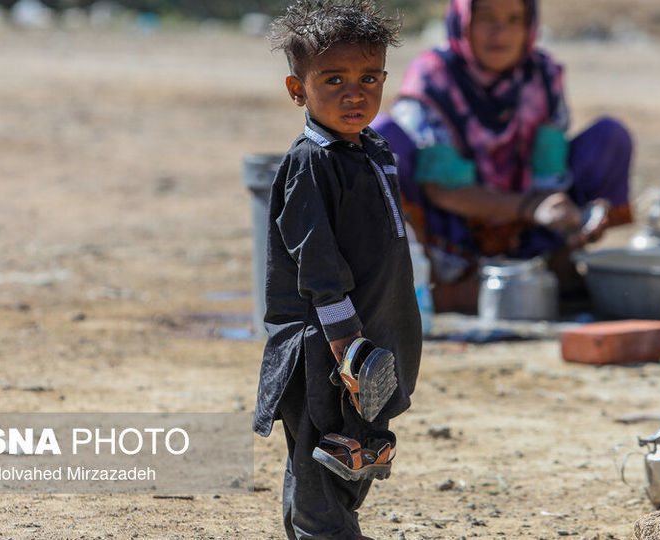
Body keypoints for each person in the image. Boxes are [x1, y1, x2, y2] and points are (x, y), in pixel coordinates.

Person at [254, 1, 422, 539]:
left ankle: (333, 527)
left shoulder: (374, 149)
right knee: (318, 450)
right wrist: (348, 347)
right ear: (296, 89)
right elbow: (317, 262)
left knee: (361, 445)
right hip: (325, 342)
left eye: (369, 77)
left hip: (377, 329)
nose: (356, 93)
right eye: (334, 79)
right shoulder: (310, 162)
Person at [372, 0, 634, 312]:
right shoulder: (433, 76)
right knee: (383, 138)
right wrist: (530, 206)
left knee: (609, 136)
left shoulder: (542, 74)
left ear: (529, 27)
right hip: (451, 226)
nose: (501, 32)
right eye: (487, 18)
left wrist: (571, 216)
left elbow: (549, 171)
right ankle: (438, 287)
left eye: (514, 20)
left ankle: (555, 265)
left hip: (529, 224)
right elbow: (441, 187)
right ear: (462, 22)